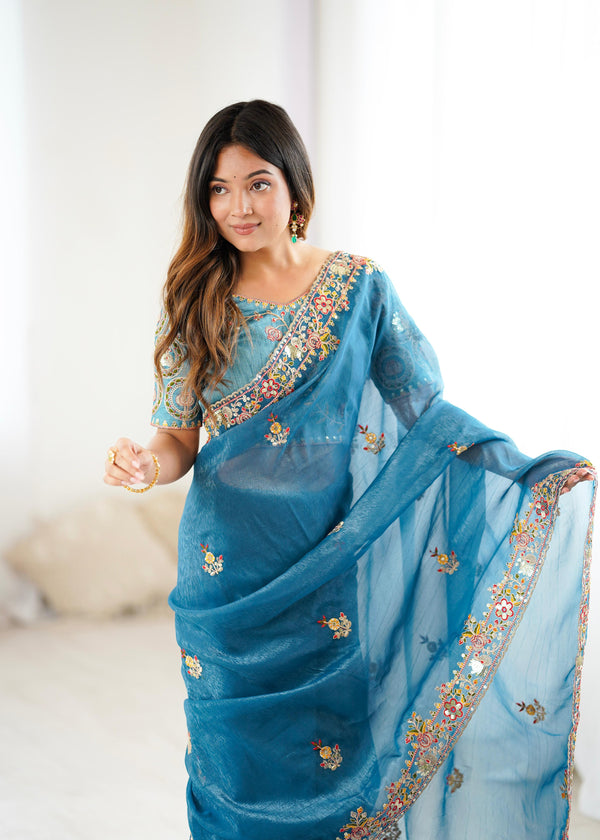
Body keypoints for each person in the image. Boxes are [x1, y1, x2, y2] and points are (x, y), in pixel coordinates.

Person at [104, 100, 595, 840]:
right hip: (225, 576)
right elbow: (177, 439)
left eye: (258, 183)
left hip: (325, 563)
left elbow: (426, 416)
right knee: (231, 763)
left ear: (295, 187)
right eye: (219, 188)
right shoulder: (192, 296)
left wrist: (525, 474)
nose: (239, 205)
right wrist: (147, 465)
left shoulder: (358, 288)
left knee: (326, 757)